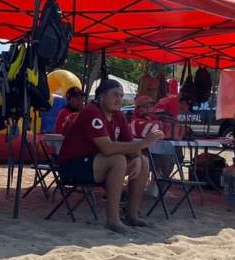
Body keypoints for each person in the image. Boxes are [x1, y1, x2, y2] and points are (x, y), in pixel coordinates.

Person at [58, 79, 159, 233]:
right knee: (117, 160)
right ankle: (113, 220)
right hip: (73, 166)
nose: (119, 99)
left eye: (121, 95)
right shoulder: (92, 112)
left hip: (95, 164)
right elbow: (107, 148)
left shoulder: (118, 115)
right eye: (115, 95)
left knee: (144, 161)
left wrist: (137, 157)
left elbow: (130, 144)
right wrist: (143, 144)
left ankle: (132, 215)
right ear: (102, 96)